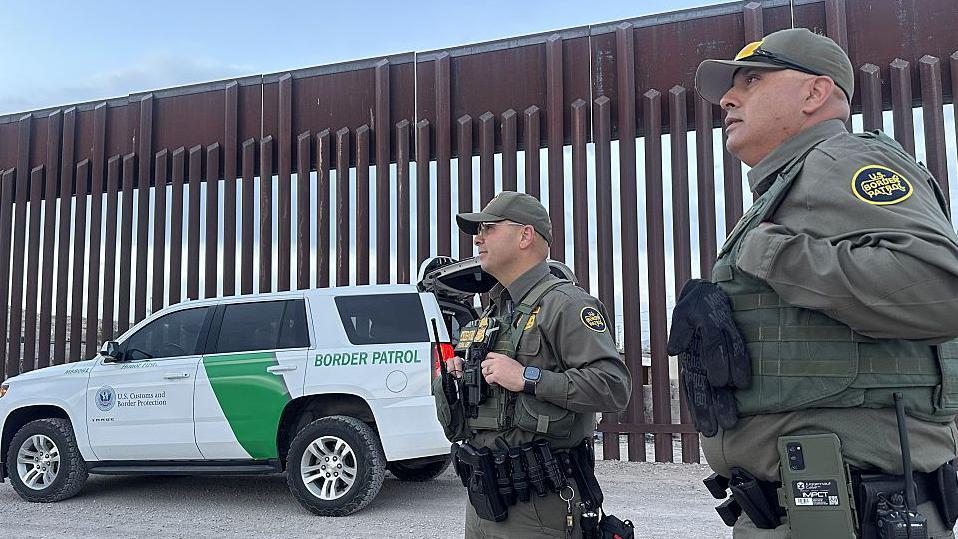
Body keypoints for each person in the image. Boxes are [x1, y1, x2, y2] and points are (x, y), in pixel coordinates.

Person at [671, 27, 958, 537]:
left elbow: (941, 291)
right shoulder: (791, 184)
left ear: (814, 93)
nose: (728, 99)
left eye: (752, 80)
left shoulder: (840, 160)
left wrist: (773, 255)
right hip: (800, 511)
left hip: (855, 514)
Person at [432, 190, 632, 538]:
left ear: (525, 235)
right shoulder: (493, 312)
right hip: (484, 499)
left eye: (489, 228)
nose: (477, 238)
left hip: (539, 506)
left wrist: (527, 377)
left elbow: (614, 387)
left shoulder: (565, 305)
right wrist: (459, 378)